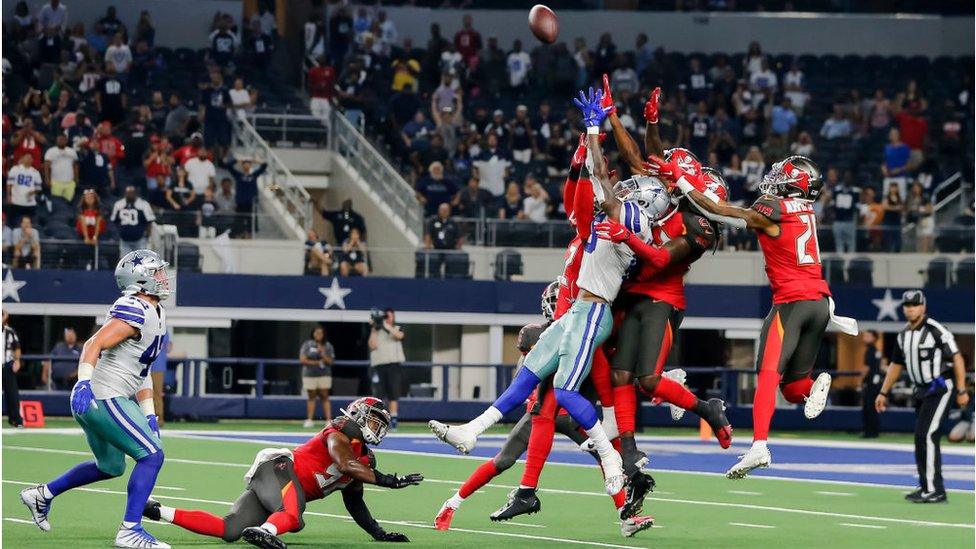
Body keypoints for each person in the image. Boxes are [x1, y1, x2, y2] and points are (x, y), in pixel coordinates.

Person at [429, 88, 636, 503]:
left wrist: (596, 132)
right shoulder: (594, 225)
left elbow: (601, 184)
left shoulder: (628, 221)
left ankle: (613, 458)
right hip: (575, 313)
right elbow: (578, 197)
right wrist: (581, 151)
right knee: (527, 376)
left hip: (594, 313)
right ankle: (473, 430)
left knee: (566, 392)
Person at [663, 154, 859, 479]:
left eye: (782, 175)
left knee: (767, 374)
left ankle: (758, 446)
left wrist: (682, 183)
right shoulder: (806, 210)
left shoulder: (775, 207)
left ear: (793, 184)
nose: (774, 179)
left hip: (792, 302)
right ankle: (815, 387)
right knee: (793, 387)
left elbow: (720, 211)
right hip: (821, 302)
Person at [434, 283, 654, 538]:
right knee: (503, 461)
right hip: (542, 410)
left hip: (570, 411)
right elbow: (529, 373)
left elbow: (605, 370)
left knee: (609, 456)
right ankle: (452, 504)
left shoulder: (584, 329)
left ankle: (625, 516)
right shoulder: (539, 335)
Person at [20, 250, 171, 548]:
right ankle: (130, 529)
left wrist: (150, 414)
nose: (163, 278)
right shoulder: (136, 307)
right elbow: (94, 343)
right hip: (104, 396)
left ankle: (42, 494)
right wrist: (84, 383)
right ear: (139, 280)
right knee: (152, 456)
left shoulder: (155, 312)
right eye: (157, 273)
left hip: (105, 397)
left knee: (111, 466)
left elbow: (141, 371)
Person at [143, 398, 419, 546]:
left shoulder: (363, 460)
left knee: (228, 529)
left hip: (277, 484)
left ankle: (156, 510)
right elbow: (345, 463)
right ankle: (264, 531)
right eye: (373, 419)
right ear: (358, 414)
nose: (378, 427)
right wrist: (390, 480)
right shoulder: (339, 434)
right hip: (279, 469)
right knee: (293, 518)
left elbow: (355, 501)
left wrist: (378, 532)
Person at [875, 290, 969, 504]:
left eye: (915, 305)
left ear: (923, 307)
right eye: (907, 305)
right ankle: (927, 485)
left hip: (940, 387)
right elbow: (895, 365)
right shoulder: (903, 335)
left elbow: (957, 358)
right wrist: (883, 391)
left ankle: (935, 490)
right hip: (921, 391)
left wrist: (962, 390)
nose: (910, 308)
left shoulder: (936, 330)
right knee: (920, 436)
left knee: (927, 435)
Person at [368, 309, 405, 431]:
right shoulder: (376, 331)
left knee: (393, 393)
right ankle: (377, 420)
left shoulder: (397, 328)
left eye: (389, 316)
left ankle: (393, 419)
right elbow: (372, 345)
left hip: (393, 365)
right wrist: (374, 327)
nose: (387, 318)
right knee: (378, 394)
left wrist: (385, 325)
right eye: (385, 317)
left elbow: (399, 336)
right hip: (379, 365)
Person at [299, 325, 334, 428]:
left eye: (320, 333)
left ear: (323, 335)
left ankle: (328, 420)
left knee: (325, 396)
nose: (318, 335)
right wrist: (317, 362)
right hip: (309, 375)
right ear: (313, 334)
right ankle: (309, 419)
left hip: (324, 375)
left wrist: (322, 353)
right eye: (316, 333)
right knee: (311, 396)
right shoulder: (307, 345)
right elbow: (302, 359)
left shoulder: (327, 346)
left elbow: (330, 361)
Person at [111, 186, 156, 255]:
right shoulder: (118, 204)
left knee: (141, 262)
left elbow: (149, 221)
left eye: (131, 193)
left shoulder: (143, 204)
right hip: (124, 239)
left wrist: (148, 236)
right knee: (126, 261)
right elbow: (114, 221)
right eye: (128, 193)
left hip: (140, 239)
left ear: (135, 193)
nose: (130, 195)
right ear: (125, 193)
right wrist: (119, 233)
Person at [6, 153, 43, 223]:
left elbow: (39, 188)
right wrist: (9, 196)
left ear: (32, 160)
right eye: (27, 157)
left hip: (30, 203)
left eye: (30, 158)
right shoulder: (15, 169)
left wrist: (33, 192)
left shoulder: (35, 172)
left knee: (29, 223)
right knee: (15, 222)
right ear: (22, 159)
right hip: (16, 201)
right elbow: (9, 184)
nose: (29, 159)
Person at [861, 330, 885, 439]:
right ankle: (873, 432)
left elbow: (867, 368)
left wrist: (860, 380)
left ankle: (869, 432)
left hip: (871, 384)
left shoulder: (871, 351)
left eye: (867, 336)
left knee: (869, 408)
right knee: (872, 408)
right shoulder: (876, 351)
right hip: (876, 384)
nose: (864, 338)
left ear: (874, 338)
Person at [44, 133, 79, 202]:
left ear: (66, 141)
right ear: (56, 141)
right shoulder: (51, 151)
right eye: (59, 139)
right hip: (56, 182)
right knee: (57, 203)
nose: (61, 141)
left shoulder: (72, 151)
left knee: (69, 203)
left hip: (70, 183)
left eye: (63, 139)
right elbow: (46, 167)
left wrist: (76, 178)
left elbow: (75, 166)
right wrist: (47, 179)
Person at [3, 311, 24, 428]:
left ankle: (16, 420)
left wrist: (17, 360)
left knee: (12, 394)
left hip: (7, 365)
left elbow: (16, 347)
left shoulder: (9, 332)